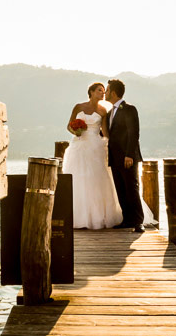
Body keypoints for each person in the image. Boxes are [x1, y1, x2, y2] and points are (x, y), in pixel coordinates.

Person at [62, 82, 123, 229]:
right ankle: (79, 217)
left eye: (103, 91)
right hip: (79, 145)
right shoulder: (79, 107)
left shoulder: (103, 111)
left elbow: (105, 132)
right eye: (99, 90)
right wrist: (76, 131)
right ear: (91, 91)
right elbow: (69, 126)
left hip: (96, 146)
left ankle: (98, 216)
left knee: (97, 179)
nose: (102, 93)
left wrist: (113, 145)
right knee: (78, 179)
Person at [104, 78, 155, 232]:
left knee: (131, 188)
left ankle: (138, 221)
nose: (105, 93)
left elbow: (134, 133)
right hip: (114, 156)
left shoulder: (129, 109)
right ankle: (127, 220)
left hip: (127, 157)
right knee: (120, 189)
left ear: (113, 92)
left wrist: (129, 155)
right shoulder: (109, 112)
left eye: (106, 90)